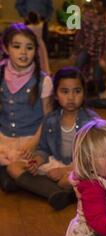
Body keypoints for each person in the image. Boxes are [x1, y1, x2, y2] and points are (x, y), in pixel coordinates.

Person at [6, 67, 98, 210]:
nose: (71, 97)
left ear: (84, 93)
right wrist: (36, 161)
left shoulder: (92, 121)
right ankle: (59, 193)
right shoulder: (50, 120)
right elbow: (43, 149)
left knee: (66, 181)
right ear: (55, 94)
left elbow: (94, 157)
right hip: (56, 163)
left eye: (77, 91)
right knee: (13, 167)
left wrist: (66, 170)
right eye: (65, 91)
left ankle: (47, 188)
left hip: (80, 167)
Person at [0, 23, 53, 193]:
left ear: (36, 51)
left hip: (30, 140)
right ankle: (11, 178)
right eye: (17, 46)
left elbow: (48, 117)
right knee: (8, 163)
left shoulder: (43, 80)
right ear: (6, 48)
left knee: (34, 163)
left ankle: (13, 178)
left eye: (29, 48)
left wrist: (33, 142)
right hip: (3, 139)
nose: (23, 52)